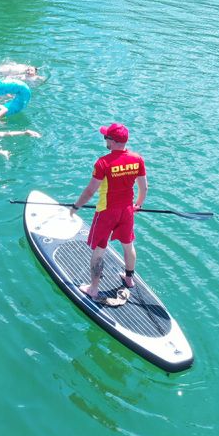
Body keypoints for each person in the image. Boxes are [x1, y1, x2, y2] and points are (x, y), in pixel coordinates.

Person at [70, 123, 147, 302]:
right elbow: (143, 187)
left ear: (112, 141)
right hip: (127, 211)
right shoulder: (137, 159)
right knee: (128, 245)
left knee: (99, 250)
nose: (104, 139)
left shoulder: (103, 162)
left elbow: (90, 191)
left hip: (106, 213)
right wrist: (138, 205)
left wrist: (75, 207)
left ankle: (94, 289)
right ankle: (129, 279)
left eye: (106, 137)